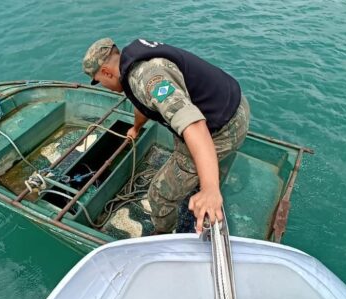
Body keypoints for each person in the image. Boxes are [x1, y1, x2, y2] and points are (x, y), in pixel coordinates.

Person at [82, 38, 250, 234]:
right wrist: (136, 128)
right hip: (230, 103)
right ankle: (203, 176)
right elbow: (142, 103)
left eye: (100, 82)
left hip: (223, 129)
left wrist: (210, 190)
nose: (104, 85)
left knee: (159, 195)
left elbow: (194, 125)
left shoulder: (148, 78)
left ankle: (163, 234)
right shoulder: (131, 62)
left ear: (105, 72)